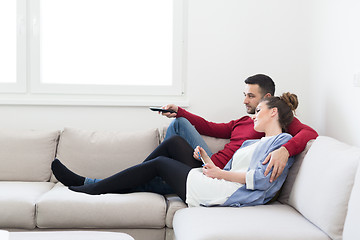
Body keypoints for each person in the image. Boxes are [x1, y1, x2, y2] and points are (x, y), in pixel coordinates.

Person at [52, 92, 299, 207]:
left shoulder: (282, 143)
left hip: (227, 191)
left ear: (273, 112)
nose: (252, 113)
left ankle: (94, 187)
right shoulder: (251, 143)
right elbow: (227, 164)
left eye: (257, 109)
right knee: (170, 147)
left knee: (158, 166)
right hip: (218, 180)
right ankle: (96, 185)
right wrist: (206, 161)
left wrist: (219, 174)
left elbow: (261, 180)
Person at [160, 74, 318, 183]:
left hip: (221, 172)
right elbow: (209, 127)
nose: (245, 101)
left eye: (251, 96)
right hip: (208, 160)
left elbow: (310, 133)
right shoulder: (243, 121)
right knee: (179, 122)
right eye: (245, 95)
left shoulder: (276, 122)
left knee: (161, 166)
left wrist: (285, 150)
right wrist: (179, 111)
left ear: (267, 98)